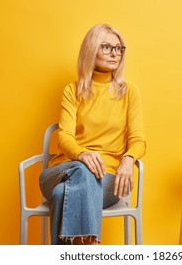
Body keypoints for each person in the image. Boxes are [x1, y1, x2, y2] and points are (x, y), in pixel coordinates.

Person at [39, 24, 146, 245]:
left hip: (108, 180)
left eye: (119, 48)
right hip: (65, 170)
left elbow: (138, 140)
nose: (115, 53)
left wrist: (128, 158)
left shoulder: (130, 92)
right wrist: (82, 155)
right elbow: (64, 138)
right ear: (90, 49)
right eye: (106, 47)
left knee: (62, 195)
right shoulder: (73, 90)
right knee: (83, 169)